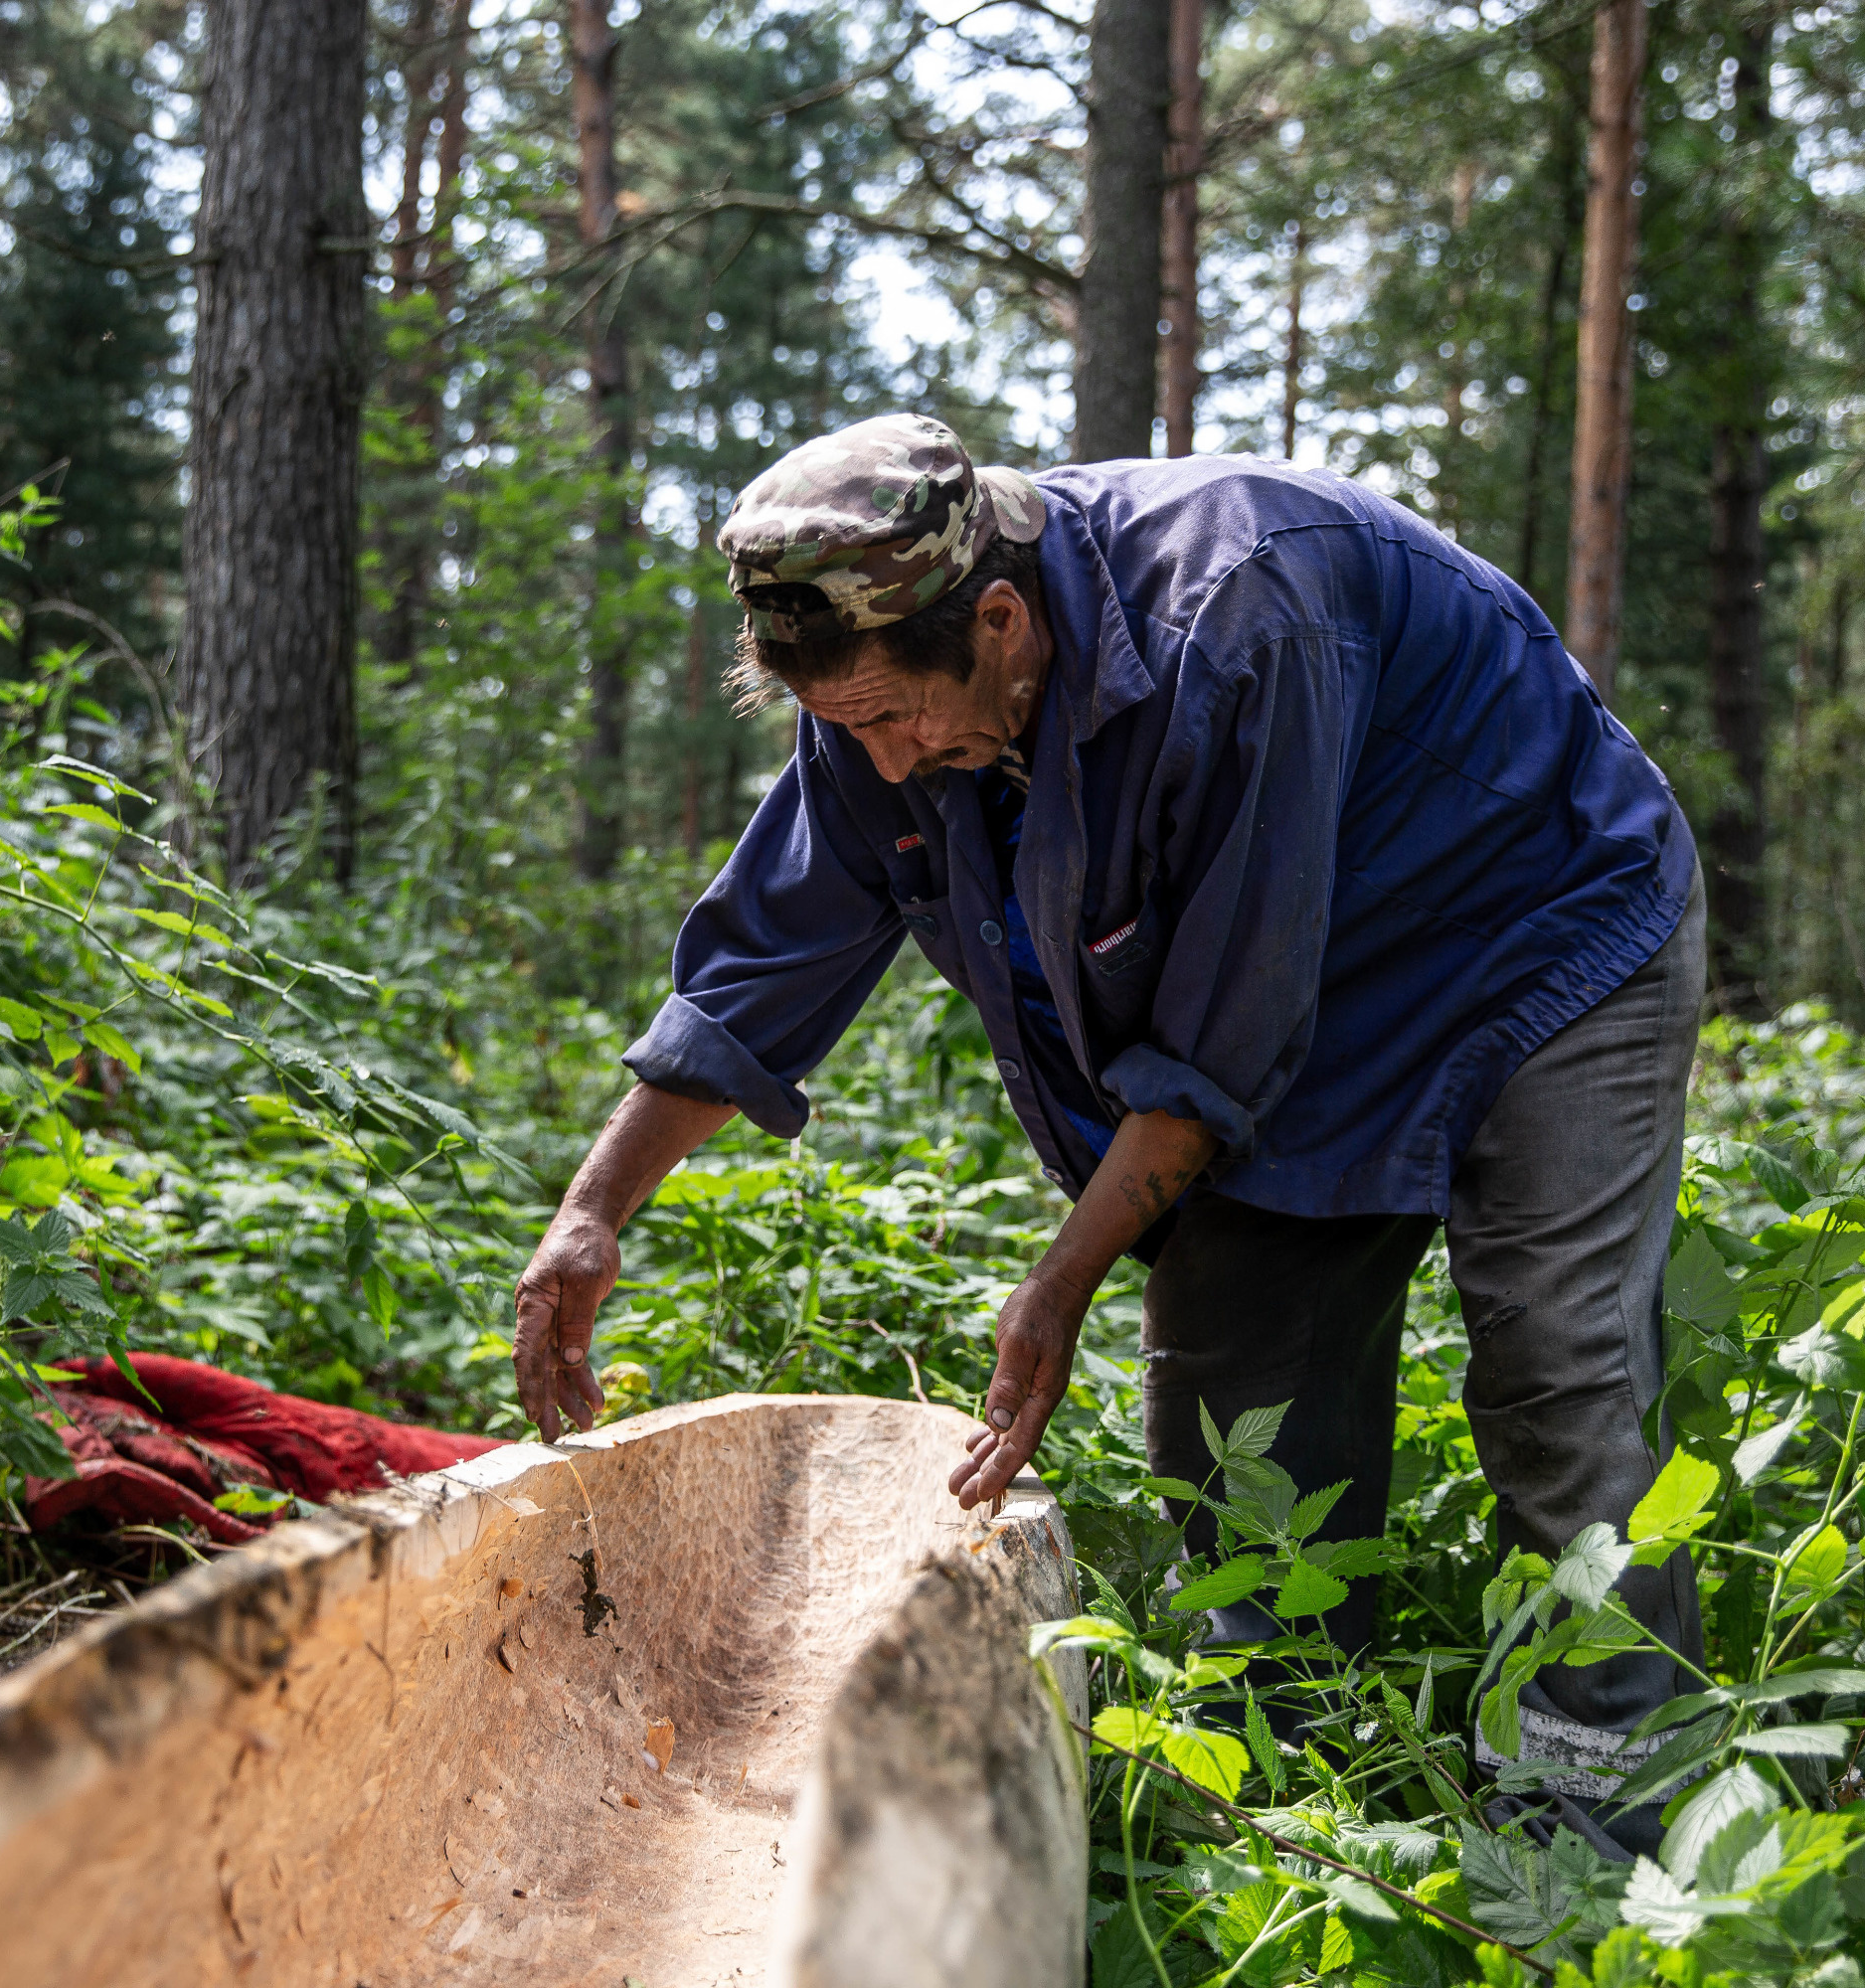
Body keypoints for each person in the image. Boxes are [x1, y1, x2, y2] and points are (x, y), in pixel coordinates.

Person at [509, 414, 1705, 1852]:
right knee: (1234, 1403)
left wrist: (1058, 1284)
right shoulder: (873, 696)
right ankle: (1310, 1787)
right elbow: (761, 971)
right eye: (848, 733)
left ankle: (1596, 1822)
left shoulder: (1241, 611)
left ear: (1003, 619)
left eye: (896, 720)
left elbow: (1216, 1049)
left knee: (1558, 1375)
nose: (886, 765)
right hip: (1307, 989)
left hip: (1543, 946)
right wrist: (592, 1213)